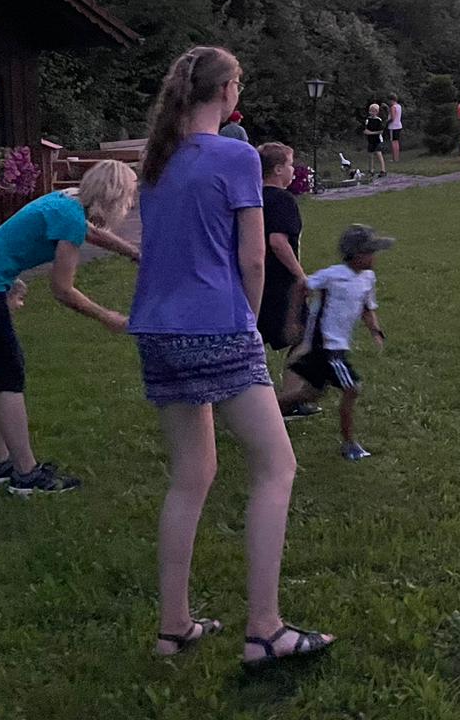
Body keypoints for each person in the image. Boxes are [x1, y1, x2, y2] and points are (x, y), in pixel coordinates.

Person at [128, 45, 333, 666]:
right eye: (238, 83)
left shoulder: (156, 162)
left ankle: (173, 627)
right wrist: (247, 322)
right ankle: (265, 630)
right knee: (277, 467)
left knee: (192, 474)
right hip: (217, 325)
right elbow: (252, 258)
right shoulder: (237, 155)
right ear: (226, 92)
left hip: (156, 332)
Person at [0, 159, 138, 495]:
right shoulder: (70, 216)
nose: (132, 203)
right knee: (10, 374)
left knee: (3, 372)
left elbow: (89, 231)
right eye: (131, 195)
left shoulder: (68, 201)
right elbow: (62, 290)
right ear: (115, 195)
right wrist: (108, 317)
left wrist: (132, 252)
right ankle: (25, 475)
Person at [277, 224, 390, 461]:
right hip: (326, 345)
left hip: (337, 345)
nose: (374, 257)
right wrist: (293, 321)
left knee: (310, 394)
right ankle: (349, 444)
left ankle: (265, 414)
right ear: (356, 255)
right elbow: (302, 285)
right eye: (370, 252)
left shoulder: (368, 278)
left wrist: (376, 331)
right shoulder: (334, 275)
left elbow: (367, 308)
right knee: (351, 388)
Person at [256, 143, 310, 368]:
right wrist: (300, 275)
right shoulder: (282, 199)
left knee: (254, 338)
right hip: (280, 282)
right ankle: (291, 397)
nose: (294, 170)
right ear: (278, 169)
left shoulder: (255, 198)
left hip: (256, 279)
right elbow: (278, 242)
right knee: (306, 336)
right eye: (290, 164)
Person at [361, 103, 388, 177]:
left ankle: (383, 170)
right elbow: (365, 130)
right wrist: (368, 133)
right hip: (370, 140)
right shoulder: (368, 120)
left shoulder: (379, 120)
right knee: (370, 155)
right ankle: (371, 170)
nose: (372, 113)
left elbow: (381, 131)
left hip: (378, 140)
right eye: (371, 111)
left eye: (374, 111)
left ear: (377, 112)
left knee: (379, 154)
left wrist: (371, 133)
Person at [387, 94, 403, 163]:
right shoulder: (399, 106)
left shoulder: (393, 107)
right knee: (396, 142)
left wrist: (387, 122)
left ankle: (394, 159)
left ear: (391, 100)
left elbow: (392, 118)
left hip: (393, 126)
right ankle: (397, 158)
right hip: (398, 125)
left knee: (393, 142)